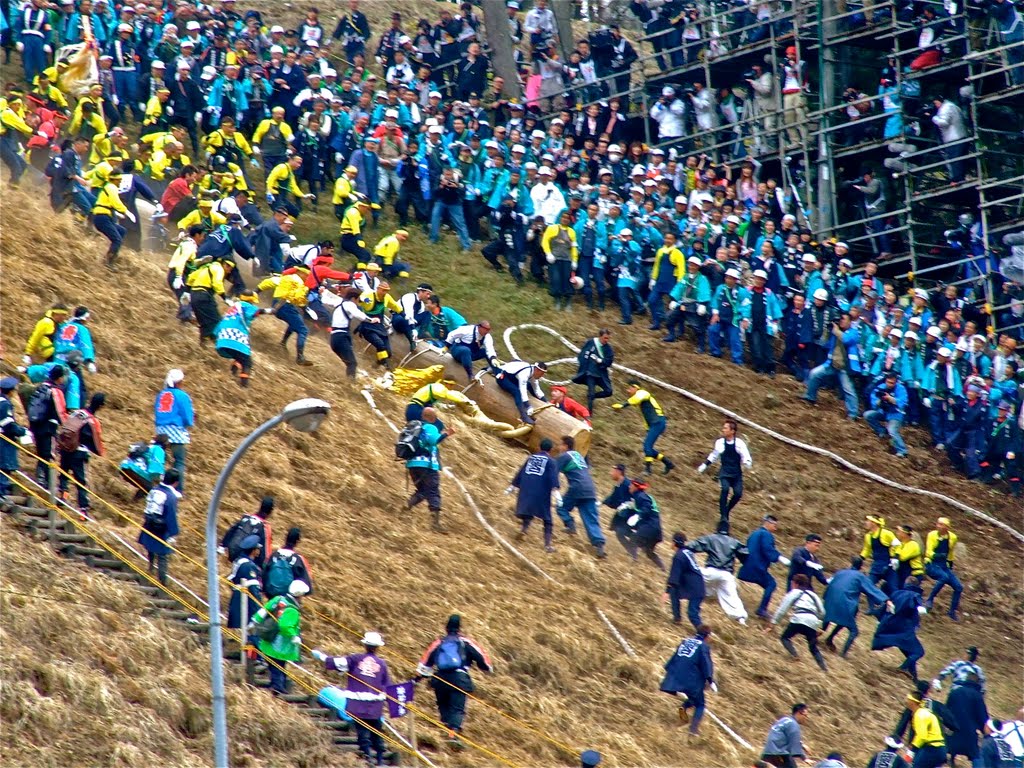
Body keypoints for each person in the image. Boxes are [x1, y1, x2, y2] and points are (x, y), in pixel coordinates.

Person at [312, 632, 392, 767]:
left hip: (356, 702)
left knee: (362, 730)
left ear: (365, 645)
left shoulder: (355, 659)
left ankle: (367, 757)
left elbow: (337, 663)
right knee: (376, 730)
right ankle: (379, 759)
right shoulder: (382, 664)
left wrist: (322, 657)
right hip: (375, 704)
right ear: (378, 647)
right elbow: (387, 685)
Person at [416, 615, 492, 747]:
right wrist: (487, 668)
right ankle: (453, 734)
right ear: (459, 628)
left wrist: (417, 679)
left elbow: (425, 664)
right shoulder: (465, 642)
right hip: (459, 679)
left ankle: (445, 729)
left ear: (446, 628)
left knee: (443, 705)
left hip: (440, 678)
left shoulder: (438, 643)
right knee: (457, 708)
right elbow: (483, 660)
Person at [822, 556, 890, 657]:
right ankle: (843, 655)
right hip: (844, 604)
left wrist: (825, 598)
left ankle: (826, 637)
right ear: (861, 567)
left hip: (829, 602)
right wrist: (886, 600)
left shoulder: (840, 572)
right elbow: (872, 589)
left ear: (851, 563)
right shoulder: (860, 576)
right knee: (854, 631)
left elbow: (830, 586)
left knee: (844, 616)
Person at [249, 579, 308, 695]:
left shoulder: (278, 599)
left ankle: (276, 685)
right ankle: (278, 688)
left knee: (273, 665)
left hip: (268, 639)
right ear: (299, 595)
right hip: (281, 644)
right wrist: (294, 636)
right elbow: (285, 626)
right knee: (279, 665)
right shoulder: (292, 610)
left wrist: (255, 620)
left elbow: (263, 611)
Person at [555, 435, 606, 558]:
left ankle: (570, 525)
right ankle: (599, 546)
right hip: (590, 489)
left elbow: (553, 471)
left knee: (561, 507)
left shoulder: (564, 456)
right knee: (591, 518)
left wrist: (553, 487)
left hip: (577, 487)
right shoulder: (579, 456)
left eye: (560, 444)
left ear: (566, 446)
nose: (558, 447)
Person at [659, 625, 716, 736]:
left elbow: (673, 658)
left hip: (676, 675)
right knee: (700, 704)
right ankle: (693, 730)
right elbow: (706, 664)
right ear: (707, 636)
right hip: (690, 678)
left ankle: (682, 714)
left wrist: (669, 672)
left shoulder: (685, 641)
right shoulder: (703, 646)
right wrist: (710, 680)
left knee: (693, 699)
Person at [687, 525, 749, 625]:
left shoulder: (712, 538)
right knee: (732, 596)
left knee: (694, 577)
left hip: (711, 571)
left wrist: (685, 548)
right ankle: (741, 618)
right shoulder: (734, 542)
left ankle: (690, 594)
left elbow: (695, 544)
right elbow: (745, 554)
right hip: (726, 575)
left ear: (717, 529)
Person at [697, 419, 752, 531]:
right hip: (725, 472)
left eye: (725, 428)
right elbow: (714, 455)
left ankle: (726, 511)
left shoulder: (739, 443)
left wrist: (747, 462)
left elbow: (746, 456)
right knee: (725, 489)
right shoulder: (720, 442)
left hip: (736, 473)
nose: (723, 430)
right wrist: (705, 465)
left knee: (738, 494)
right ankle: (723, 516)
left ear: (732, 431)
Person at [56, 392, 106, 516]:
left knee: (63, 474)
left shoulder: (76, 413)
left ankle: (63, 495)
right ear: (101, 406)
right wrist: (100, 453)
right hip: (79, 453)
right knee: (81, 481)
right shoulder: (93, 421)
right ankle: (83, 510)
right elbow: (96, 442)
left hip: (65, 448)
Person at [509, 437, 561, 553]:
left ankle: (524, 530)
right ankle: (547, 545)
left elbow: (521, 472)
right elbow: (553, 478)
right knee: (547, 519)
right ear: (551, 449)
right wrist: (557, 493)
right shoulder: (551, 461)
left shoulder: (531, 458)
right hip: (541, 493)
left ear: (539, 447)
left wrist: (512, 486)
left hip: (526, 490)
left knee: (528, 513)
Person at [872, 576, 927, 681]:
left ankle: (914, 679)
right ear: (917, 585)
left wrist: (879, 620)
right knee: (918, 652)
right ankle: (903, 668)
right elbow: (917, 605)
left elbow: (883, 608)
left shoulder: (896, 593)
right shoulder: (914, 595)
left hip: (890, 628)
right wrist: (922, 608)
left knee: (910, 654)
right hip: (904, 631)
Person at [768, 574, 828, 671]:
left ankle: (795, 655)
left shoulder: (794, 592)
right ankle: (824, 668)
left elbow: (782, 610)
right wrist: (819, 626)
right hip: (812, 622)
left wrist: (773, 623)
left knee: (785, 638)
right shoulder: (813, 595)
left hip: (799, 618)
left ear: (796, 583)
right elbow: (822, 612)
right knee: (813, 647)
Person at [612, 382, 674, 475]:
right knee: (648, 448)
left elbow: (636, 399)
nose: (628, 391)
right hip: (654, 424)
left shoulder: (642, 393)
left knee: (647, 446)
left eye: (629, 388)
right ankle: (668, 463)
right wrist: (648, 428)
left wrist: (623, 405)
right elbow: (646, 416)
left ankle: (648, 470)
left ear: (635, 387)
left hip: (658, 422)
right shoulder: (641, 400)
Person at [406, 407, 451, 532]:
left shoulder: (413, 427)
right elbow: (433, 440)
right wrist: (447, 434)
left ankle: (407, 505)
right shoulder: (430, 427)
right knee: (433, 491)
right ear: (432, 418)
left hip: (412, 464)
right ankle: (435, 523)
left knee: (422, 490)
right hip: (427, 465)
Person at [738, 515, 791, 619]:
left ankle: (761, 609)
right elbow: (768, 549)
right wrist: (779, 557)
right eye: (774, 525)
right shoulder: (766, 534)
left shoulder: (754, 534)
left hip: (748, 566)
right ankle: (762, 609)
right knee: (771, 584)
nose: (775, 528)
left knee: (769, 584)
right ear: (768, 523)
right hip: (758, 567)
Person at [137, 469, 181, 587]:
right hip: (161, 528)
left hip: (149, 523)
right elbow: (171, 516)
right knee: (162, 556)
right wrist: (173, 533)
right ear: (176, 482)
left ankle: (150, 568)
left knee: (150, 548)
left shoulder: (154, 490)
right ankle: (163, 582)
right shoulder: (171, 497)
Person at [26, 364, 68, 487]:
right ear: (59, 378)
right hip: (48, 428)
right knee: (48, 454)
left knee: (41, 452)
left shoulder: (41, 387)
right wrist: (67, 427)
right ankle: (46, 483)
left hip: (36, 425)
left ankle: (40, 478)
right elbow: (61, 413)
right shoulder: (56, 391)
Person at [153, 369, 194, 493]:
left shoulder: (161, 394)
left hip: (161, 430)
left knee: (160, 459)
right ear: (178, 382)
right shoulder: (182, 395)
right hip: (176, 430)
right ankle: (178, 490)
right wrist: (189, 423)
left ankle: (156, 484)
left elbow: (156, 411)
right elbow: (187, 415)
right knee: (179, 461)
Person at [611, 478, 665, 568]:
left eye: (631, 485)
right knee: (648, 551)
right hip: (655, 530)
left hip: (650, 527)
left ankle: (633, 560)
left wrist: (638, 516)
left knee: (633, 539)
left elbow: (646, 507)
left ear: (636, 487)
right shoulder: (640, 497)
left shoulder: (641, 496)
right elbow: (640, 506)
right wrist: (628, 506)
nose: (629, 486)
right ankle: (662, 568)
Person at [945, 672, 988, 767]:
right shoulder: (977, 696)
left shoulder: (955, 692)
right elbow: (982, 716)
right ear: (977, 683)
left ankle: (950, 759)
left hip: (954, 728)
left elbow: (946, 709)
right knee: (975, 754)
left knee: (950, 746)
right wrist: (985, 731)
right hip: (969, 731)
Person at [924, 517, 963, 619]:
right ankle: (930, 599)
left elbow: (950, 553)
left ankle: (952, 612)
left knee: (958, 587)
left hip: (943, 565)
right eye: (938, 524)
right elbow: (928, 552)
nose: (938, 526)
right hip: (931, 564)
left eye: (941, 524)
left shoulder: (952, 537)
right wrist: (937, 555)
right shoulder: (932, 535)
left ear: (947, 527)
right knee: (944, 577)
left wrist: (950, 565)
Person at [865, 372, 910, 458]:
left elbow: (903, 402)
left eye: (892, 383)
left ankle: (902, 450)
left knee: (892, 430)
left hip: (896, 415)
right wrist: (880, 400)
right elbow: (874, 403)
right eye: (888, 382)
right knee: (868, 415)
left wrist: (891, 399)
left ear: (896, 382)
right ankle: (882, 431)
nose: (889, 384)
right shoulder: (881, 388)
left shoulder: (901, 389)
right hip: (883, 412)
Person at [666, 532, 705, 628]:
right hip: (697, 585)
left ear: (674, 543)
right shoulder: (687, 552)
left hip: (694, 587)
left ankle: (704, 634)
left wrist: (666, 591)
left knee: (692, 614)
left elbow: (674, 576)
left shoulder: (678, 556)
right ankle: (677, 619)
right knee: (674, 592)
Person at [221, 496, 274, 567]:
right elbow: (266, 553)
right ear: (270, 511)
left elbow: (231, 531)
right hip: (244, 561)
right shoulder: (265, 527)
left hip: (230, 553)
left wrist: (222, 546)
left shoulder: (245, 518)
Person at [0, 377, 31, 497]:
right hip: (4, 441)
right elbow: (8, 425)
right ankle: (2, 496)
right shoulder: (5, 404)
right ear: (11, 391)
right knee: (3, 469)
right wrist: (22, 431)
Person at [263, 527, 313, 598]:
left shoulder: (273, 555)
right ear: (297, 541)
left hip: (272, 597)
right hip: (289, 599)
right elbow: (306, 584)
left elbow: (264, 575)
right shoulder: (298, 559)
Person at [227, 534, 263, 633]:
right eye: (258, 549)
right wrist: (259, 607)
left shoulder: (238, 561)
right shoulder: (248, 566)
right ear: (253, 550)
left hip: (238, 599)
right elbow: (253, 590)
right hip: (247, 603)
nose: (259, 551)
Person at [572, 329, 614, 413]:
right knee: (591, 392)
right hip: (590, 373)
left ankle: (592, 396)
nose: (606, 340)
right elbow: (583, 354)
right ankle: (589, 414)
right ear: (600, 336)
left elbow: (609, 361)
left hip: (601, 374)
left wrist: (601, 361)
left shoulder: (608, 348)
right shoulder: (591, 342)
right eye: (605, 338)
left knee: (609, 391)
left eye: (607, 338)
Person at [496, 360, 548, 426]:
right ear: (537, 370)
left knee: (529, 385)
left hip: (512, 378)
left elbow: (537, 390)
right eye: (542, 373)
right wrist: (528, 406)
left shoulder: (533, 373)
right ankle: (523, 416)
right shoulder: (525, 372)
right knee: (517, 392)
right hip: (503, 378)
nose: (542, 376)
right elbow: (522, 390)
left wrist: (546, 402)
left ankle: (539, 403)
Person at [906, 693, 948, 768]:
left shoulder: (919, 715)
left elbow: (922, 736)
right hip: (941, 749)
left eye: (908, 700)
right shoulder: (926, 713)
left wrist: (913, 747)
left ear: (913, 702)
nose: (907, 701)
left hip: (932, 749)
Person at [861, 514, 899, 595]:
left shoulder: (886, 533)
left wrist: (895, 557)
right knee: (868, 586)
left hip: (888, 565)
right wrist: (860, 558)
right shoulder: (868, 536)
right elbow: (866, 549)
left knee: (894, 588)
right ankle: (872, 607)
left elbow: (897, 544)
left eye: (868, 521)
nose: (866, 523)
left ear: (874, 523)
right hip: (876, 565)